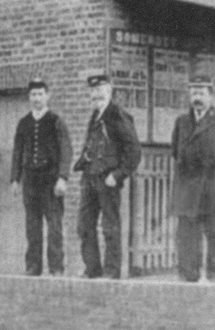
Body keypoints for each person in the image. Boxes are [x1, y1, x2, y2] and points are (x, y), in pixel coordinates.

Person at [73, 74, 141, 279]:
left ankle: (111, 271)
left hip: (107, 179)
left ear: (109, 90)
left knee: (110, 227)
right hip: (90, 177)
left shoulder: (117, 115)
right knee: (84, 225)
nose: (96, 94)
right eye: (93, 91)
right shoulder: (95, 115)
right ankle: (92, 269)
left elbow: (134, 151)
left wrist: (118, 175)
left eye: (100, 90)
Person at [11, 79, 73, 276]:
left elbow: (66, 150)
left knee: (54, 227)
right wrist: (15, 179)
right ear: (29, 98)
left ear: (47, 96)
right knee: (32, 227)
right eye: (33, 95)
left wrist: (62, 177)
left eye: (40, 94)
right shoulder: (24, 123)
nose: (36, 98)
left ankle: (56, 268)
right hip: (30, 182)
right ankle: (33, 267)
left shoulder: (56, 121)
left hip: (51, 182)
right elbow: (17, 152)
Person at [170, 75, 215, 282]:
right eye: (193, 93)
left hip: (213, 185)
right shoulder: (182, 122)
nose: (196, 98)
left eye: (201, 93)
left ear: (211, 95)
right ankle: (188, 276)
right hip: (188, 187)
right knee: (187, 235)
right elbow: (175, 150)